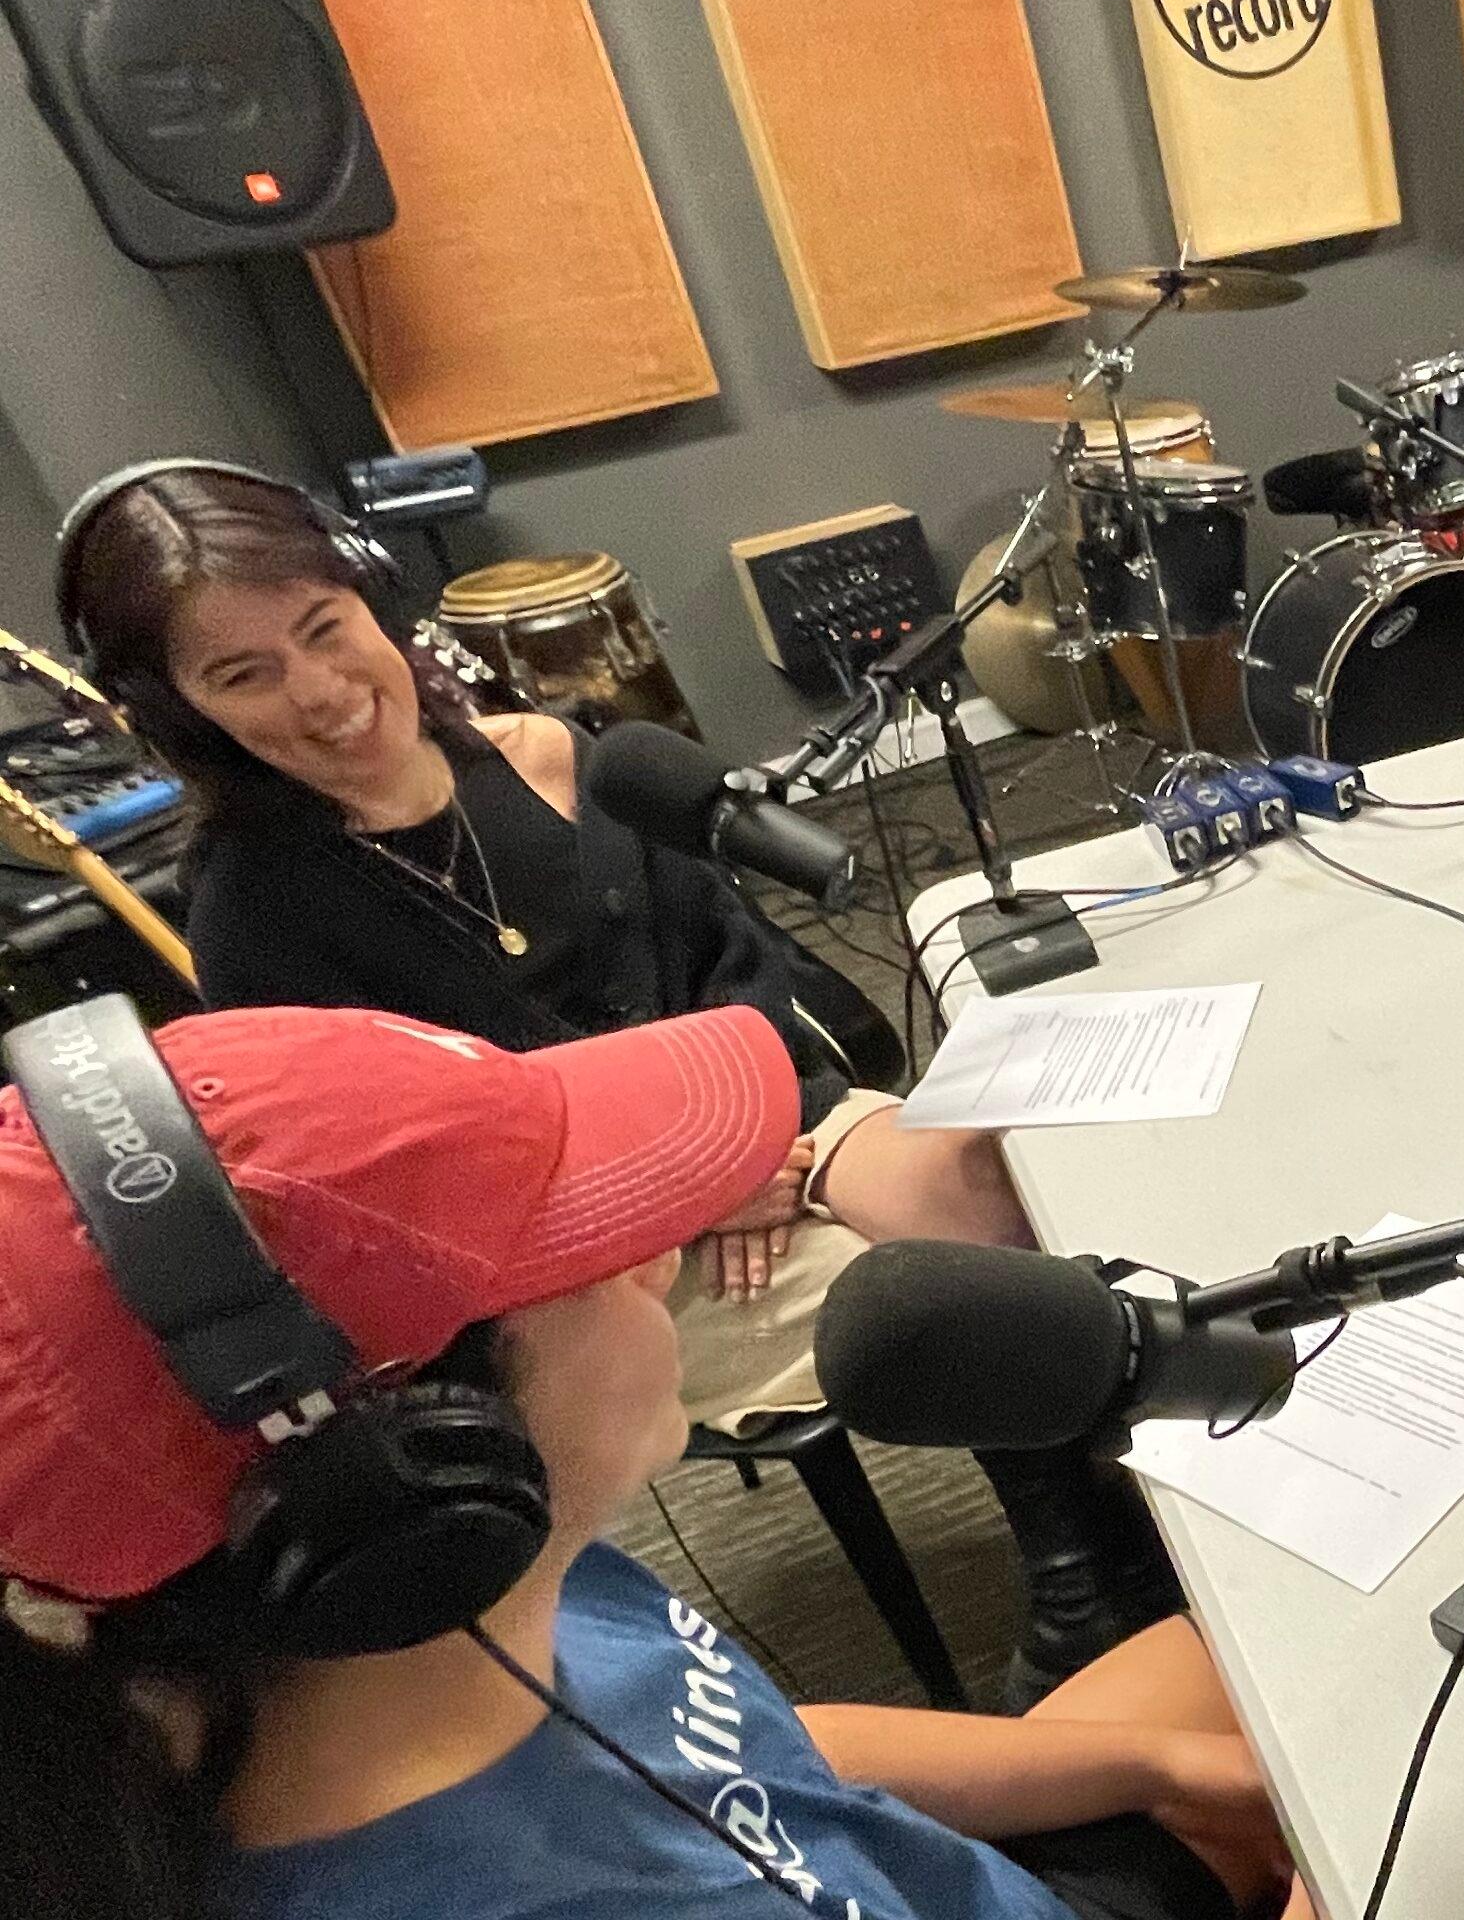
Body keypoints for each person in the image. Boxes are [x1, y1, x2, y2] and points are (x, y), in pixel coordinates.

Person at [56, 460, 1168, 1701]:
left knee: (1003, 1189)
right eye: (240, 675)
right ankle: (1082, 1593)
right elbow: (396, 1199)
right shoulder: (253, 911)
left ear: (373, 600)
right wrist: (685, 1189)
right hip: (577, 1258)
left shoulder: (549, 756)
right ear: (179, 708)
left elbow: (742, 960)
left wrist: (756, 1147)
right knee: (934, 1291)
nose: (316, 696)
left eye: (323, 631)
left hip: (760, 1121)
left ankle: (1130, 1537)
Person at [0, 1001, 1305, 1920]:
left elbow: (758, 1749)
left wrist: (1154, 1768)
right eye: (592, 1254)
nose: (662, 1260)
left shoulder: (489, 1596)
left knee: (1294, 1633)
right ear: (414, 1468)